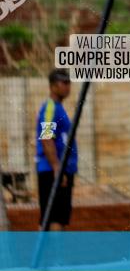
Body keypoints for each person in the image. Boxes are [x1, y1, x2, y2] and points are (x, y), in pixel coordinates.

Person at [35, 68, 76, 231]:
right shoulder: (50, 108)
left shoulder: (59, 108)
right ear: (53, 86)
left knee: (57, 217)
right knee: (54, 218)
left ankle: (48, 256)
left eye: (69, 83)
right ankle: (55, 257)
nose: (68, 86)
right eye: (64, 83)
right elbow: (46, 138)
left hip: (60, 170)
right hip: (53, 171)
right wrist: (57, 167)